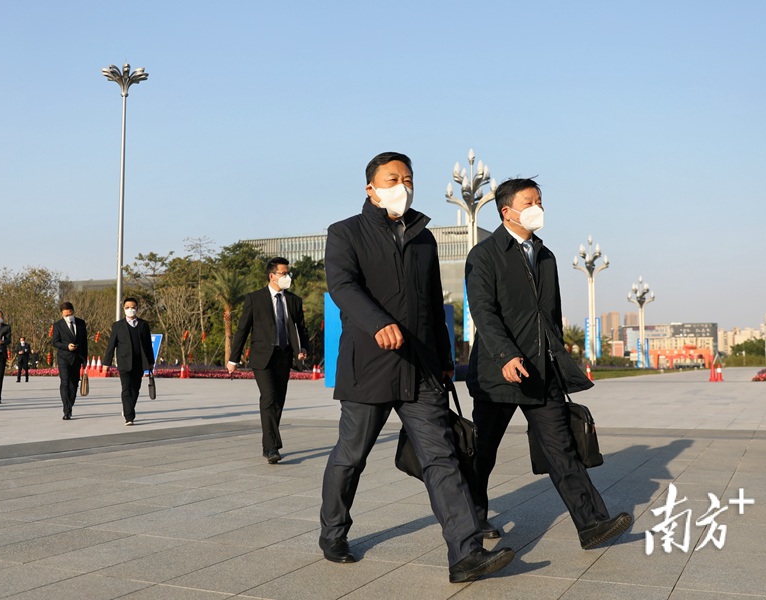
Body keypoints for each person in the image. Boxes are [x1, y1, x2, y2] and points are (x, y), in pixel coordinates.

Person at [318, 152, 514, 584]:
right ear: (371, 188)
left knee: (442, 458)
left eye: (407, 178)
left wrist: (444, 361)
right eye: (392, 179)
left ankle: (466, 554)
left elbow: (432, 303)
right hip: (370, 365)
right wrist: (377, 324)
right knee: (351, 456)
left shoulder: (424, 238)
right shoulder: (344, 233)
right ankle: (333, 533)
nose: (402, 186)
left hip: (421, 369)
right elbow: (343, 286)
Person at [465, 177, 632, 550]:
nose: (537, 208)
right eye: (529, 202)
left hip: (542, 373)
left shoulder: (545, 256)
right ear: (506, 211)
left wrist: (557, 353)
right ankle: (472, 520)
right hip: (498, 373)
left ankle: (592, 524)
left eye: (539, 201)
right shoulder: (485, 254)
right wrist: (506, 355)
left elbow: (549, 316)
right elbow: (484, 312)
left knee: (562, 449)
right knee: (483, 452)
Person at [227, 257, 309, 463]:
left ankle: (268, 445)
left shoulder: (294, 300)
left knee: (278, 401)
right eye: (283, 273)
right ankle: (272, 447)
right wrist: (233, 359)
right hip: (262, 357)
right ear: (272, 276)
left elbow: (301, 329)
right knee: (269, 398)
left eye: (288, 273)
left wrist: (303, 348)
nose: (287, 276)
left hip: (284, 357)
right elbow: (242, 330)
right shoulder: (255, 299)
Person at [103, 297, 155, 426]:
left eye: (133, 307)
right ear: (123, 309)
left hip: (139, 362)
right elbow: (111, 345)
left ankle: (128, 407)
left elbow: (148, 345)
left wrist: (151, 362)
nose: (130, 309)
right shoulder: (118, 326)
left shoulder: (143, 325)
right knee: (126, 388)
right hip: (124, 362)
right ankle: (129, 416)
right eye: (127, 307)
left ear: (137, 308)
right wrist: (106, 363)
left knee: (135, 389)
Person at [51, 302, 88, 420]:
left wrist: (85, 359)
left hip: (77, 358)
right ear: (62, 314)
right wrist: (67, 346)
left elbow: (84, 342)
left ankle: (70, 405)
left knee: (74, 384)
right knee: (65, 382)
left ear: (73, 311)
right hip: (64, 357)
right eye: (66, 315)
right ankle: (66, 410)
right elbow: (55, 342)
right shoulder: (58, 325)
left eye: (70, 314)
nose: (68, 316)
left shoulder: (81, 323)